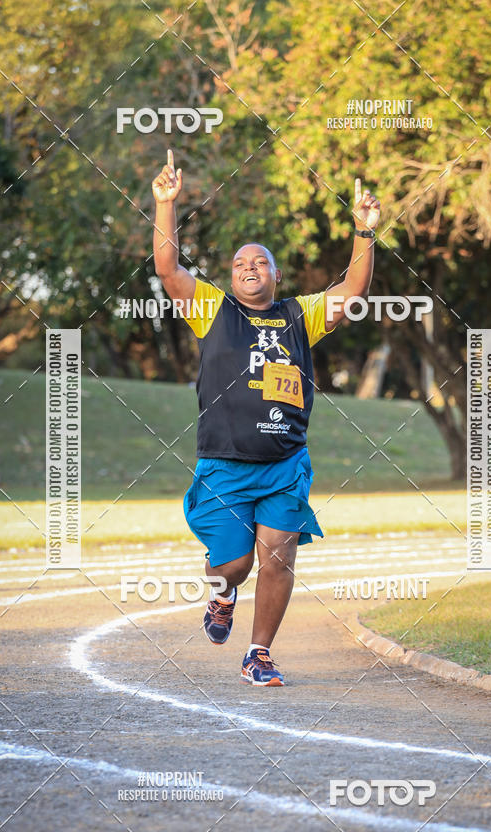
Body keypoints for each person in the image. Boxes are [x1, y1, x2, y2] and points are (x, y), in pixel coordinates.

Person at [152, 149, 380, 686]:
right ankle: (223, 596)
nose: (249, 268)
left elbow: (353, 291)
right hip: (225, 465)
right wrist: (166, 206)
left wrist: (364, 232)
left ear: (275, 273)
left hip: (285, 465)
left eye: (259, 262)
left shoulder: (299, 314)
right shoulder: (212, 310)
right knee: (234, 566)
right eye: (239, 264)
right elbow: (167, 269)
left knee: (276, 559)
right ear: (230, 277)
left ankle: (259, 655)